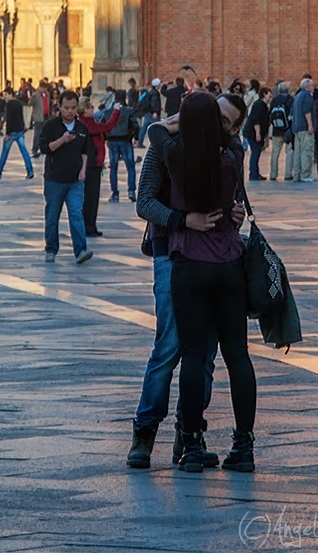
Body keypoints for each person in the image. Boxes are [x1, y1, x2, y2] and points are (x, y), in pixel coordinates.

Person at [128, 93, 247, 470]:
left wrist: (237, 212)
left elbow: (237, 197)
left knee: (205, 354)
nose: (222, 128)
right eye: (219, 119)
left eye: (228, 124)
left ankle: (188, 433)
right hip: (171, 251)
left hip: (210, 254)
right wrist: (182, 220)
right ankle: (145, 431)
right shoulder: (168, 150)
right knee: (170, 345)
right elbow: (144, 202)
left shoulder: (224, 153)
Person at [39, 90, 93, 265]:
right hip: (54, 179)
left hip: (75, 180)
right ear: (60, 107)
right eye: (66, 108)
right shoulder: (50, 126)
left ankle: (81, 250)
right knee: (52, 215)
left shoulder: (82, 128)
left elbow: (85, 151)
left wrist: (83, 170)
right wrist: (62, 140)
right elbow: (45, 148)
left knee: (76, 214)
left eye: (73, 108)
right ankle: (51, 249)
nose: (70, 111)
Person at [77, 96, 121, 237]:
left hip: (92, 164)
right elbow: (108, 127)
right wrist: (116, 112)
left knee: (90, 198)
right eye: (90, 107)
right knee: (91, 198)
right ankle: (88, 227)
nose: (93, 109)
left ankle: (90, 226)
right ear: (84, 110)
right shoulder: (87, 124)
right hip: (91, 165)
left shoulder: (87, 122)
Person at [0, 88, 34, 180]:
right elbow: (20, 117)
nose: (4, 97)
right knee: (24, 151)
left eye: (5, 95)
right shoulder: (18, 103)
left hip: (12, 132)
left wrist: (7, 133)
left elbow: (9, 119)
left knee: (5, 152)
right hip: (20, 131)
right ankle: (30, 170)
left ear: (10, 94)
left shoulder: (9, 104)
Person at [107, 90, 140, 203]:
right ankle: (131, 191)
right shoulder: (128, 111)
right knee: (130, 167)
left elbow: (103, 123)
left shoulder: (108, 111)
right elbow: (135, 124)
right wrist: (136, 137)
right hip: (125, 140)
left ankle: (115, 193)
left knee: (113, 167)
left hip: (112, 140)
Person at [242, 87, 272, 180]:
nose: (270, 96)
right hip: (253, 132)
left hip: (256, 132)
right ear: (264, 94)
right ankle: (253, 174)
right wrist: (258, 133)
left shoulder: (262, 105)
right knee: (255, 152)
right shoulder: (259, 105)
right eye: (269, 94)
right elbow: (256, 120)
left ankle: (255, 172)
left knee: (257, 152)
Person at [291, 79, 317, 182]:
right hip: (305, 128)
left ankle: (297, 174)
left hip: (297, 127)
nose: (314, 87)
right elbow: (307, 110)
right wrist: (310, 125)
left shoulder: (298, 96)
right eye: (312, 85)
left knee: (298, 152)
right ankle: (305, 174)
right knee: (307, 151)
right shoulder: (307, 96)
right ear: (307, 87)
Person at [269, 82, 294, 181]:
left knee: (275, 152)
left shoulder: (274, 100)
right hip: (288, 130)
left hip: (276, 129)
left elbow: (270, 113)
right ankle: (288, 174)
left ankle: (273, 174)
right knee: (290, 152)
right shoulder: (291, 99)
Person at [137, 79, 162, 147]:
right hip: (152, 113)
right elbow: (154, 102)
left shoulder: (151, 92)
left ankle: (140, 141)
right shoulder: (155, 93)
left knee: (144, 128)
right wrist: (155, 111)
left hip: (148, 112)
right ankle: (158, 142)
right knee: (157, 128)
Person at [30, 80, 49, 158]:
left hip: (46, 116)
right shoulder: (36, 95)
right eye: (43, 88)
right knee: (37, 133)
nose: (44, 90)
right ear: (40, 87)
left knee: (45, 133)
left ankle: (42, 148)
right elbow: (30, 103)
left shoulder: (46, 94)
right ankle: (35, 148)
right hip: (38, 116)